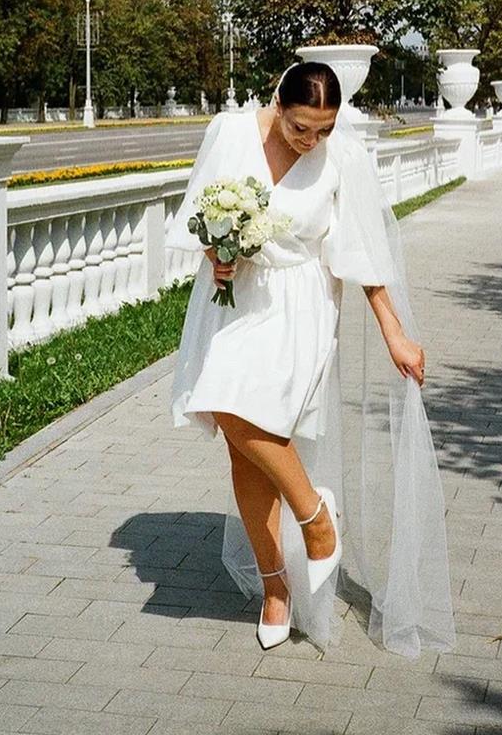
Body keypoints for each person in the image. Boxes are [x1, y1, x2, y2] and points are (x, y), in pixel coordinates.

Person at [164, 60, 456, 657]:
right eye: (301, 127)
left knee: (248, 418)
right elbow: (199, 213)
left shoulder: (341, 156)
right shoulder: (229, 131)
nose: (312, 140)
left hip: (301, 304)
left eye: (324, 129)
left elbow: (362, 253)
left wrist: (394, 333)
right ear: (278, 102)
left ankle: (315, 520)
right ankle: (277, 586)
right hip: (232, 303)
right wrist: (218, 252)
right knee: (237, 435)